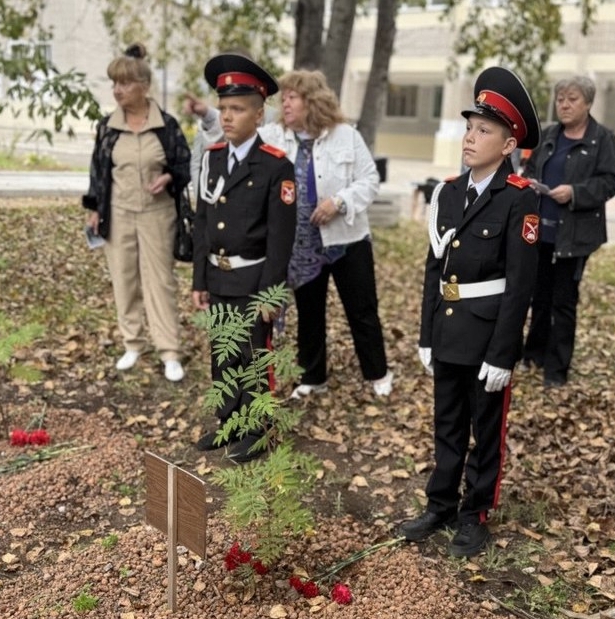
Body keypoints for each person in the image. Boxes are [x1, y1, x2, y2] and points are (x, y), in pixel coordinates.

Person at [401, 67, 541, 558]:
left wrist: (504, 353)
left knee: (486, 431)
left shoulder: (518, 200)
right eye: (469, 127)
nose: (470, 137)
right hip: (449, 330)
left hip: (487, 338)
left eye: (484, 130)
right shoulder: (448, 193)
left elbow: (520, 288)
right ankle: (440, 504)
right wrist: (425, 333)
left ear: (508, 146)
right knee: (447, 423)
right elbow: (433, 269)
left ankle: (474, 514)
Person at [187, 69, 394, 399]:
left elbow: (370, 181)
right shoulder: (273, 135)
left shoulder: (346, 136)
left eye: (292, 97)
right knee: (310, 313)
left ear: (312, 101)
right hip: (300, 246)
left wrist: (339, 202)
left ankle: (377, 372)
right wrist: (209, 115)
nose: (284, 104)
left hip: (346, 241)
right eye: (282, 98)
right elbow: (234, 135)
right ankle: (313, 377)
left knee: (361, 310)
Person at [191, 53, 296, 463]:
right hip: (218, 278)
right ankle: (228, 422)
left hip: (254, 281)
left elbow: (280, 240)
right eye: (223, 108)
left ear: (259, 113)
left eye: (237, 109)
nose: (228, 116)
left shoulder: (275, 167)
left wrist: (271, 296)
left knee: (253, 356)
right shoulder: (214, 159)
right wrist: (199, 280)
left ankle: (256, 429)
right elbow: (202, 223)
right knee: (221, 355)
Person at [82, 43, 191, 382]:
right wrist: (93, 210)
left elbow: (185, 164)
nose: (118, 90)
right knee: (124, 281)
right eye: (114, 83)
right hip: (119, 213)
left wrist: (170, 176)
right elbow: (99, 170)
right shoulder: (108, 127)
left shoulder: (166, 126)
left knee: (160, 282)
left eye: (125, 84)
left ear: (143, 86)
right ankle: (133, 343)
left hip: (158, 215)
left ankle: (169, 351)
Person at [520, 75, 615, 387]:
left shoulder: (602, 139)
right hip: (540, 233)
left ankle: (557, 369)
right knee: (539, 297)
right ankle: (533, 355)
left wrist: (575, 192)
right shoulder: (549, 135)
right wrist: (530, 183)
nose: (563, 104)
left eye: (572, 99)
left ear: (588, 103)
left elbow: (609, 182)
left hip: (574, 237)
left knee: (563, 303)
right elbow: (531, 170)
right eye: (560, 98)